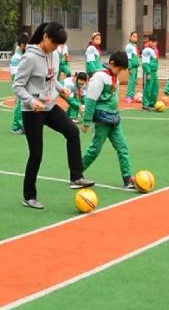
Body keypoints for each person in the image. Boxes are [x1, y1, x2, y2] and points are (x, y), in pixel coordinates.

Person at [13, 22, 94, 209]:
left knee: (72, 131)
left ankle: (76, 176)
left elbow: (52, 79)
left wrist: (61, 89)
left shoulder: (55, 55)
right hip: (32, 111)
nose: (56, 48)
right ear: (45, 37)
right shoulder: (29, 58)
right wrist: (31, 101)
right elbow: (17, 86)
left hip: (49, 107)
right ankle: (29, 196)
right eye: (54, 43)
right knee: (36, 153)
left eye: (59, 45)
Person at [81, 51, 134, 189]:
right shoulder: (99, 77)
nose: (120, 72)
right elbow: (91, 100)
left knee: (123, 148)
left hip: (114, 120)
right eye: (119, 69)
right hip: (102, 120)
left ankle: (127, 179)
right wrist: (86, 122)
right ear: (111, 64)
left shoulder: (114, 77)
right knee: (95, 150)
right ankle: (76, 173)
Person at [9, 34, 29, 134]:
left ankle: (23, 125)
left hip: (25, 84)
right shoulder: (16, 58)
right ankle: (16, 126)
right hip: (19, 84)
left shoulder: (24, 56)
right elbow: (14, 74)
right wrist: (18, 86)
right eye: (26, 44)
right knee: (19, 105)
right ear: (21, 45)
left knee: (24, 104)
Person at [141, 35, 159, 111]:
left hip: (154, 72)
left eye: (155, 42)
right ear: (149, 41)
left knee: (155, 88)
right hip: (149, 72)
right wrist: (148, 73)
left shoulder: (154, 50)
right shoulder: (146, 50)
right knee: (148, 88)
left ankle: (152, 103)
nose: (153, 43)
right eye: (152, 42)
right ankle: (145, 104)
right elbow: (145, 63)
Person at [124, 32, 140, 102]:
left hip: (135, 67)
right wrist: (129, 68)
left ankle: (131, 95)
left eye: (136, 37)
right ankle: (128, 96)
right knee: (131, 81)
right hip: (132, 67)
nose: (135, 38)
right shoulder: (129, 47)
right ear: (130, 37)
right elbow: (128, 58)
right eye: (133, 36)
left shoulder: (134, 46)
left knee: (134, 82)